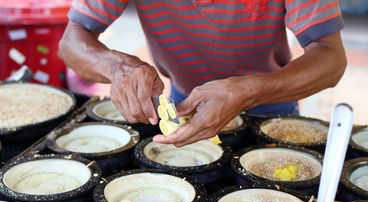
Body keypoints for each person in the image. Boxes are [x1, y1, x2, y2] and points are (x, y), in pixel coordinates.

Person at [59, 0, 346, 147]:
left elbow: (330, 57)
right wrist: (117, 67)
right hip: (183, 106)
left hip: (271, 108)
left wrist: (249, 91)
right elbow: (72, 40)